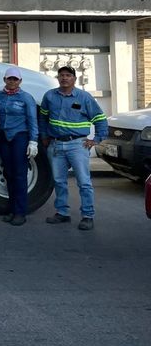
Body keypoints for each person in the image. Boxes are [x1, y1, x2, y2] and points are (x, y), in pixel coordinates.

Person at [40, 65, 107, 231]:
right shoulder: (49, 96)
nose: (64, 78)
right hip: (55, 145)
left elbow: (100, 119)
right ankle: (62, 213)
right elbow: (42, 118)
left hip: (77, 145)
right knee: (58, 181)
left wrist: (96, 139)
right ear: (58, 78)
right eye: (61, 75)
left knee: (84, 182)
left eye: (68, 75)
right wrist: (44, 136)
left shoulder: (84, 98)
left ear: (74, 79)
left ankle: (87, 216)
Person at [0, 67, 38, 226]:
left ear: (20, 81)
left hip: (20, 137)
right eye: (9, 78)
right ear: (5, 79)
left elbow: (32, 120)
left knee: (19, 175)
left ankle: (20, 212)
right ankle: (12, 209)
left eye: (15, 79)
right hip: (4, 138)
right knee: (9, 173)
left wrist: (33, 141)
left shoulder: (26, 98)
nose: (12, 81)